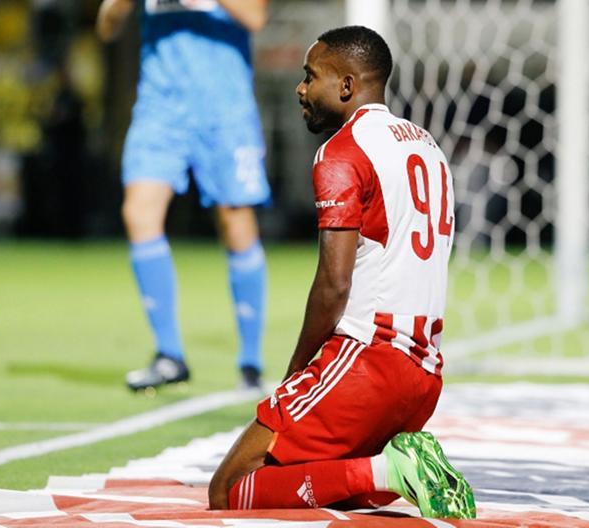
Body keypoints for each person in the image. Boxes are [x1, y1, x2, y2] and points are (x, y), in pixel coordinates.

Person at [206, 26, 475, 519]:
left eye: (311, 76)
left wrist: (295, 373)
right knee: (324, 481)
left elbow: (334, 284)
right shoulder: (429, 147)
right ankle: (391, 469)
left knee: (230, 488)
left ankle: (389, 473)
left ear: (346, 85)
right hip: (425, 374)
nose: (301, 89)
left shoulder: (342, 152)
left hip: (367, 361)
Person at [96, 0, 272, 391]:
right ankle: (169, 354)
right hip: (160, 110)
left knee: (235, 221)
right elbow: (107, 25)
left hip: (225, 111)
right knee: (138, 212)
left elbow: (255, 16)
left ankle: (250, 362)